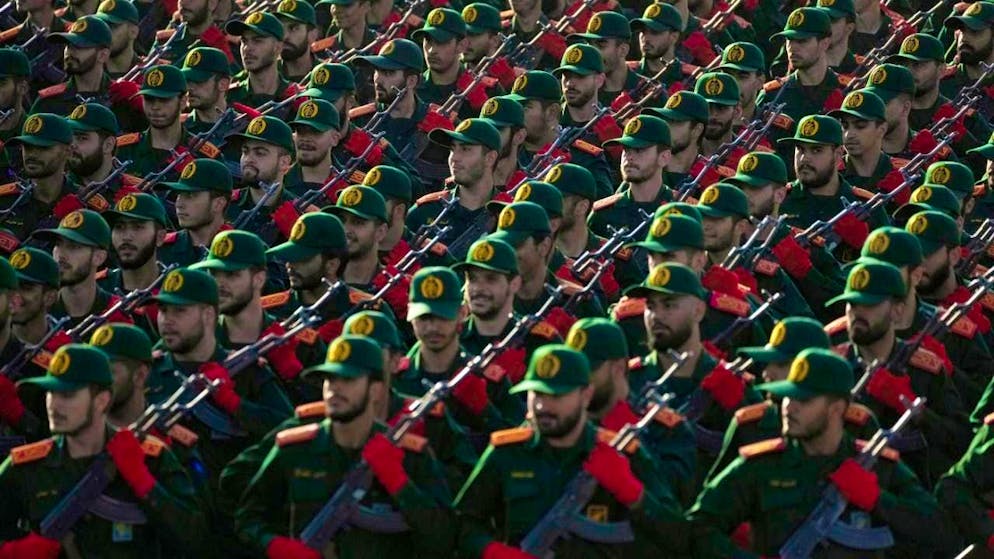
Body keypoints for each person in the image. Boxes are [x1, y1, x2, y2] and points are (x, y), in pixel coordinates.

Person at [687, 347, 961, 558]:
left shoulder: (875, 465)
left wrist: (880, 500)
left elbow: (943, 532)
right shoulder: (760, 465)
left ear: (837, 409)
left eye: (803, 400)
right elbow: (697, 528)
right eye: (787, 396)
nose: (789, 407)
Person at [454, 344, 691, 557]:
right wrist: (491, 551)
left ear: (585, 395)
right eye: (536, 394)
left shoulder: (622, 454)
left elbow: (680, 538)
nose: (542, 406)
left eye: (556, 396)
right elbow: (462, 525)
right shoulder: (507, 453)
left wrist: (635, 495)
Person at [234, 334, 457, 559]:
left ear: (376, 389)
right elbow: (248, 519)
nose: (335, 389)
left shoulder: (409, 456)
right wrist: (274, 545)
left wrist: (400, 484)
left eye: (348, 380)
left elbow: (444, 539)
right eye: (329, 379)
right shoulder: (295, 450)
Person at [0, 344, 209, 558]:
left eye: (67, 394)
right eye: (51, 393)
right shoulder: (26, 467)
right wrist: (11, 552)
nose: (54, 405)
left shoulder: (152, 458)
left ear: (102, 400)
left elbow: (196, 539)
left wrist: (144, 483)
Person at [825, 258, 972, 487]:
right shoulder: (828, 365)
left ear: (897, 310)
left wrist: (920, 414)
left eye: (869, 305)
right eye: (852, 304)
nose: (857, 314)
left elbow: (961, 438)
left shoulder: (924, 370)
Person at [708, 317, 880, 479]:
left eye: (781, 364)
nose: (767, 373)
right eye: (768, 363)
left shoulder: (857, 424)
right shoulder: (749, 424)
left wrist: (877, 500)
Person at [191, 230, 325, 405]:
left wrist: (294, 375)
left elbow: (328, 412)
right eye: (213, 273)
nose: (219, 283)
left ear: (259, 279)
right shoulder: (193, 338)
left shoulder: (301, 343)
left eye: (232, 274)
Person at [394, 266, 524, 444]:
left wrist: (485, 412)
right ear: (410, 314)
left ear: (462, 313)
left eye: (443, 317)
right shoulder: (394, 379)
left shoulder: (488, 378)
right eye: (424, 318)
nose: (433, 327)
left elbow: (520, 443)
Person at [779, 114, 890, 263]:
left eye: (816, 150)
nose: (804, 158)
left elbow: (889, 268)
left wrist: (866, 247)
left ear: (838, 155)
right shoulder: (779, 200)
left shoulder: (866, 207)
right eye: (800, 149)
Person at [406, 117, 503, 261]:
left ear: (490, 158)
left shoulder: (504, 216)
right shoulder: (426, 210)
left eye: (465, 149)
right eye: (452, 149)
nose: (454, 158)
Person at [115, 65, 221, 178]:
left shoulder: (203, 154)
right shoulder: (122, 149)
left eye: (164, 100)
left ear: (183, 101)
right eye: (149, 99)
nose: (155, 107)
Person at [0, 113, 80, 241]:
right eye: (27, 147)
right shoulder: (5, 202)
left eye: (43, 147)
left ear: (68, 152)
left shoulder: (84, 202)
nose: (32, 154)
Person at [157, 157, 232, 267]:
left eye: (190, 196)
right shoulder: (160, 249)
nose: (179, 204)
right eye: (179, 195)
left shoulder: (241, 251)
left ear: (218, 204)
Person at [225, 12, 296, 113]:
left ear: (278, 47)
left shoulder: (294, 98)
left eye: (257, 41)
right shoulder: (229, 98)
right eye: (244, 41)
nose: (247, 48)